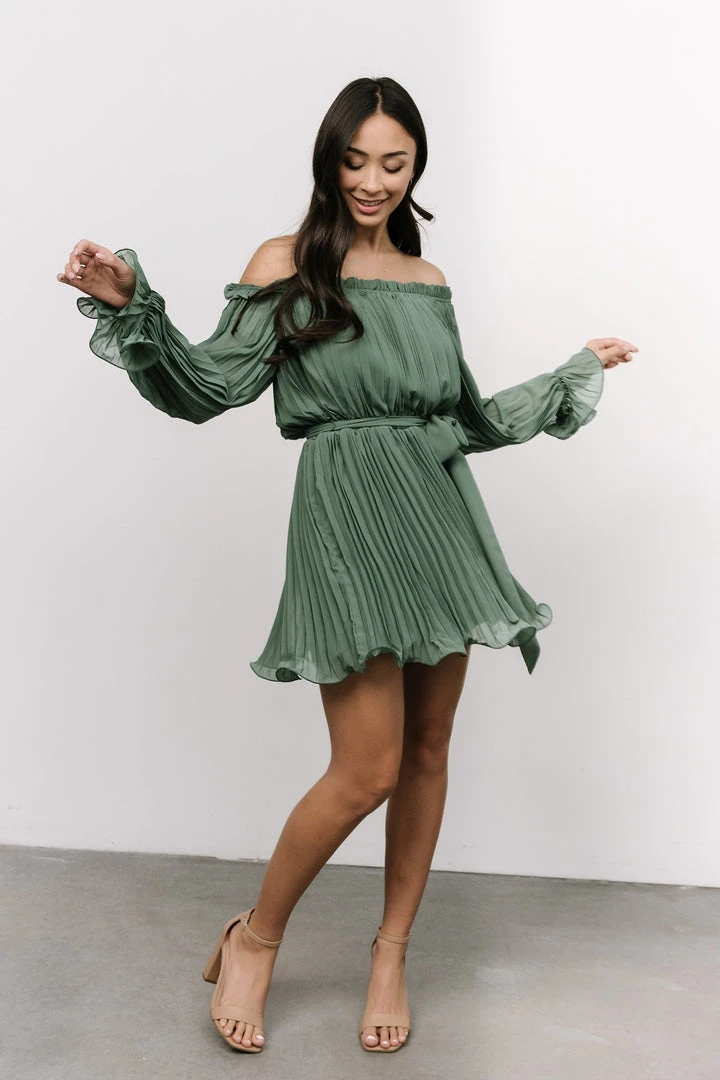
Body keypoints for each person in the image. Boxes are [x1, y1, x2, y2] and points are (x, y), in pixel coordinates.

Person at [57, 75, 636, 1056]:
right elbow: (208, 388)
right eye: (356, 160)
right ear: (329, 163)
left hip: (440, 518)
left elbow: (468, 419)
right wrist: (134, 308)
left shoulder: (428, 279)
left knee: (428, 751)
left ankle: (390, 954)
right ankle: (254, 937)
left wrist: (571, 371)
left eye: (394, 163)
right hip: (344, 516)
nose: (373, 181)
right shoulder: (286, 263)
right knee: (365, 768)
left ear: (416, 169)